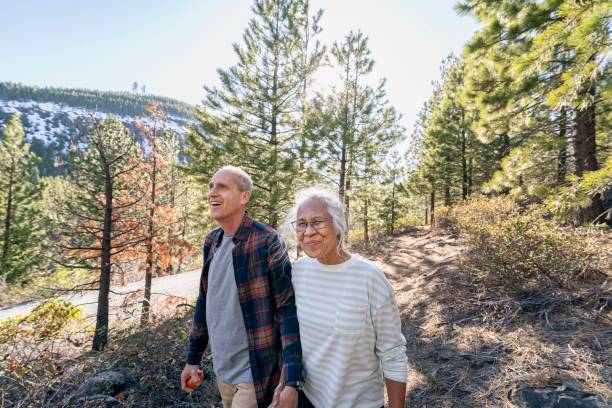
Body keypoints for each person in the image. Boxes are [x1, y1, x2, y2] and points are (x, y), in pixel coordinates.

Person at [181, 166, 303, 408]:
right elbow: (204, 301)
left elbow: (287, 310)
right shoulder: (212, 241)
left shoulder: (267, 241)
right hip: (222, 372)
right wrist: (193, 359)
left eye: (222, 187)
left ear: (244, 197)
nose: (212, 193)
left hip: (255, 375)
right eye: (211, 186)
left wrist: (292, 379)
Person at [274, 186, 407, 408]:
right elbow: (294, 337)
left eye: (317, 222)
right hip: (308, 398)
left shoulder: (369, 277)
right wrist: (286, 382)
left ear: (338, 226)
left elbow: (393, 354)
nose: (308, 232)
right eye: (302, 224)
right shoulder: (299, 271)